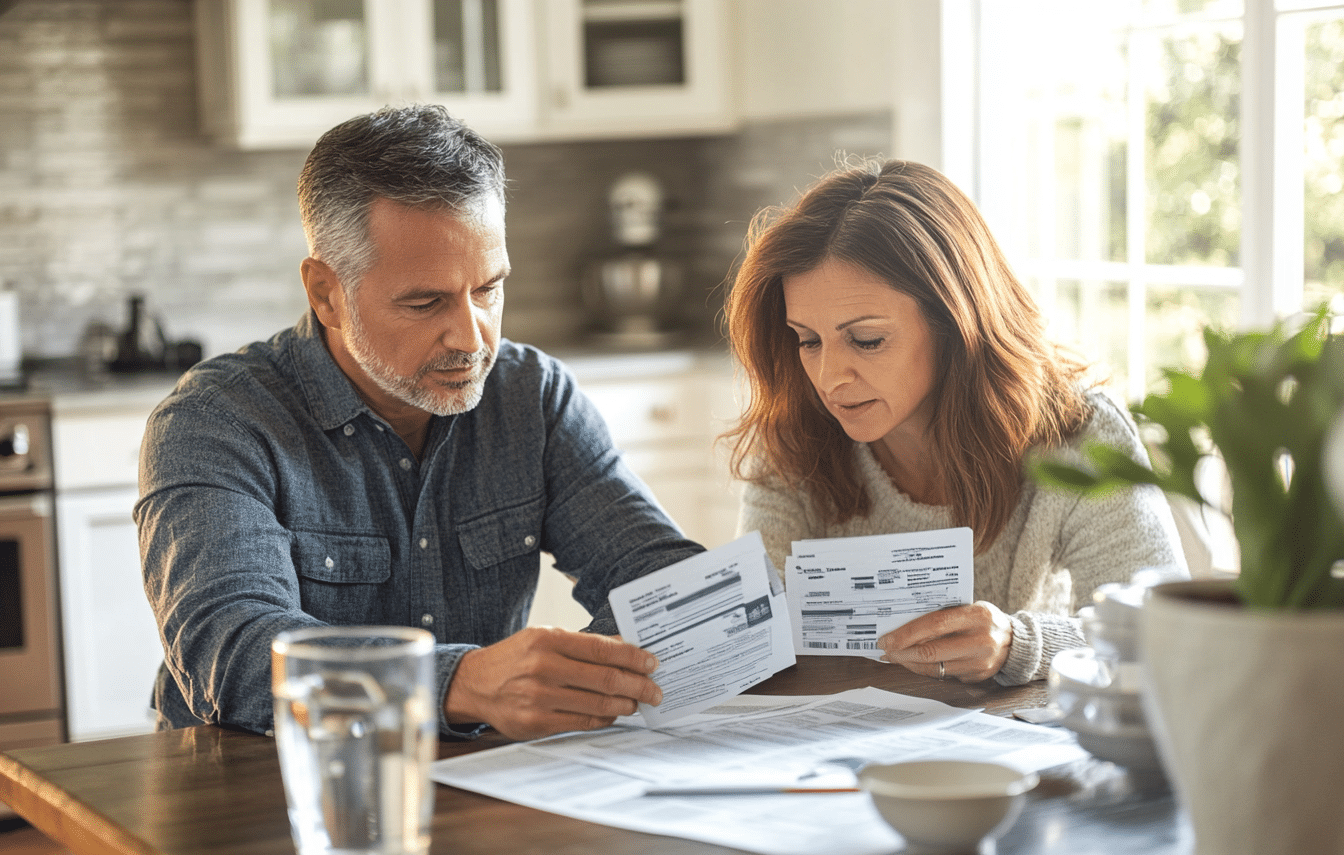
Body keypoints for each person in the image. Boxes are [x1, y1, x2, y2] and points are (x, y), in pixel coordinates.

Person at [135, 104, 704, 741]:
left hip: (483, 784)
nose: (472, 337)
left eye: (488, 290)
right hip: (257, 792)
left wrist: (582, 678)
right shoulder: (215, 422)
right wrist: (462, 683)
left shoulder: (532, 396)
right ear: (326, 294)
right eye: (425, 301)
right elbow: (234, 656)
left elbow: (669, 582)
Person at [722, 159, 1187, 686]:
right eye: (808, 340)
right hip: (841, 748)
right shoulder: (794, 434)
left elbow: (1166, 634)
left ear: (954, 322)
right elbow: (758, 636)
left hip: (1015, 748)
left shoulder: (1076, 434)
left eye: (867, 340)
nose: (829, 377)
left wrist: (1018, 644)